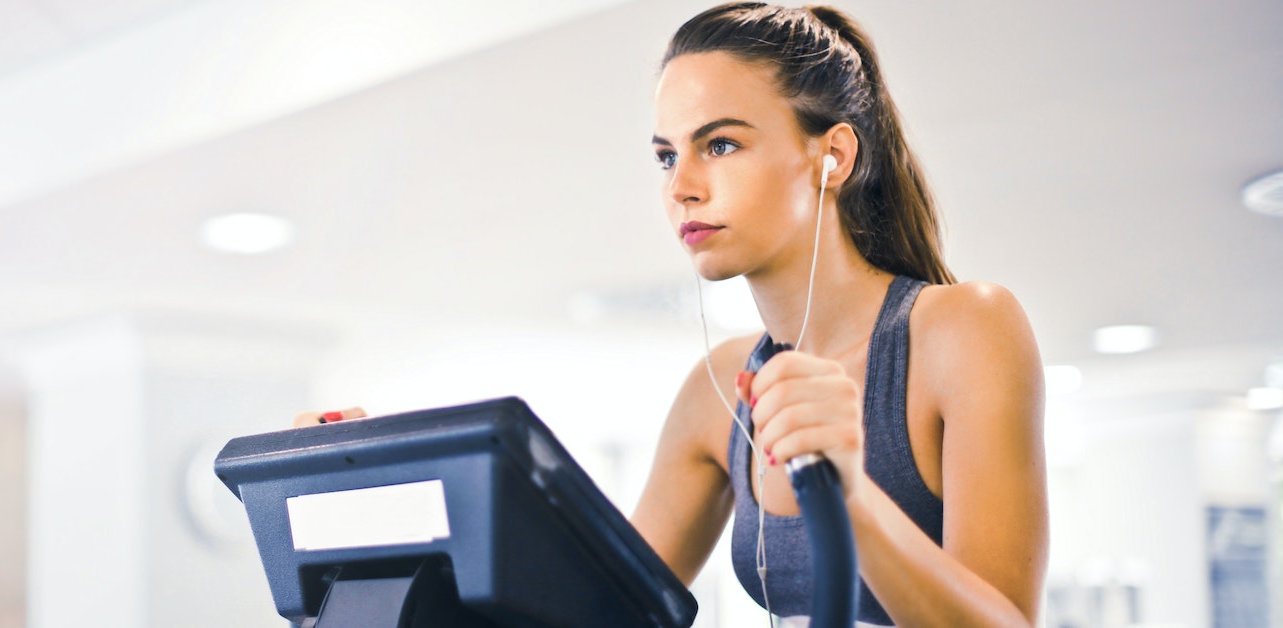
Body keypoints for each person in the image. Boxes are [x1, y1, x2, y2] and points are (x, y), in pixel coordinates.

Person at [298, 2, 1048, 625]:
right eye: (666, 156)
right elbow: (595, 616)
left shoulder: (963, 330)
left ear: (834, 157)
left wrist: (849, 492)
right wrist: (366, 512)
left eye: (720, 145)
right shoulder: (720, 387)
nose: (681, 186)